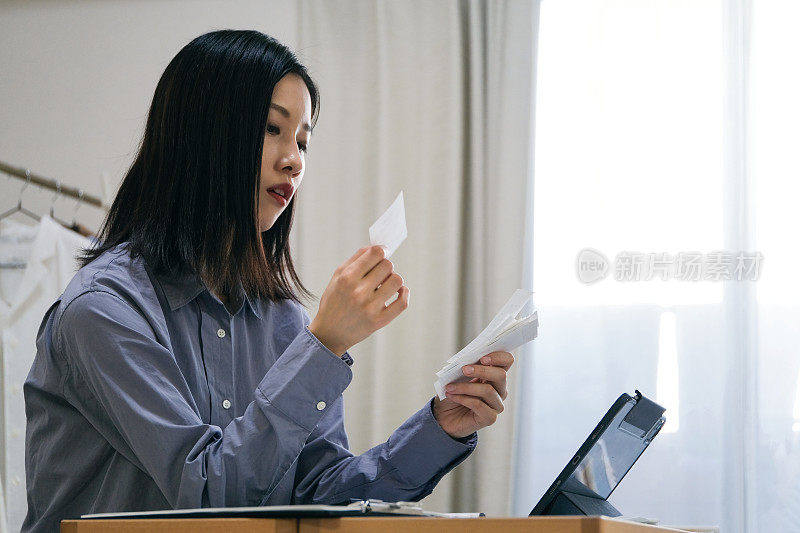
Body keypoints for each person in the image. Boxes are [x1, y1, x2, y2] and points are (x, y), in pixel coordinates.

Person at [22, 30, 513, 532]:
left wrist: (439, 427)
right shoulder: (103, 311)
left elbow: (319, 496)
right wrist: (322, 345)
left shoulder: (281, 320)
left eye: (303, 140)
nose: (294, 160)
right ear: (201, 134)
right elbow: (212, 497)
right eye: (270, 130)